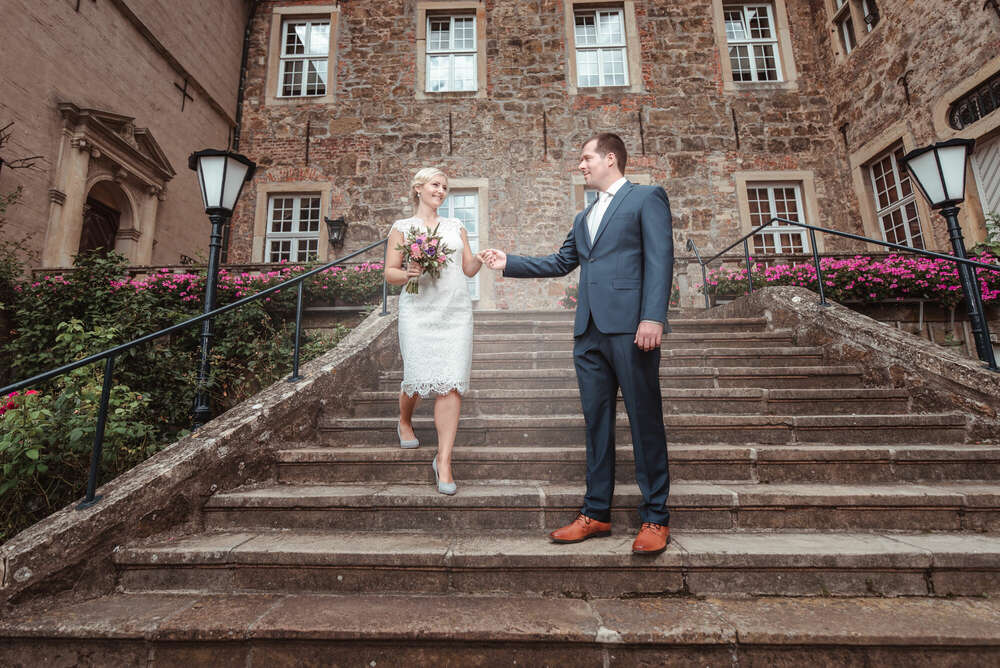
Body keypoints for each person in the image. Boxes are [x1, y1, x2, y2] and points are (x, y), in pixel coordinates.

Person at [481, 133, 674, 554]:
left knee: (644, 421)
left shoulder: (646, 198)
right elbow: (561, 262)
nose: (581, 165)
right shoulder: (582, 216)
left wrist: (653, 316)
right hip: (588, 332)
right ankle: (596, 512)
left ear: (610, 158)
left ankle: (655, 516)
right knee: (596, 423)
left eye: (586, 158)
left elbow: (661, 258)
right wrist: (507, 262)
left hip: (631, 328)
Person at [384, 167, 484, 495]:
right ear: (418, 189)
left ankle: (443, 460)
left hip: (455, 311)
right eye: (435, 185)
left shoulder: (456, 226)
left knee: (450, 383)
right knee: (415, 376)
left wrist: (482, 258)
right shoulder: (402, 228)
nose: (441, 190)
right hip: (418, 310)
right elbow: (390, 274)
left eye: (444, 186)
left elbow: (467, 269)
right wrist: (409, 272)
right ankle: (404, 421)